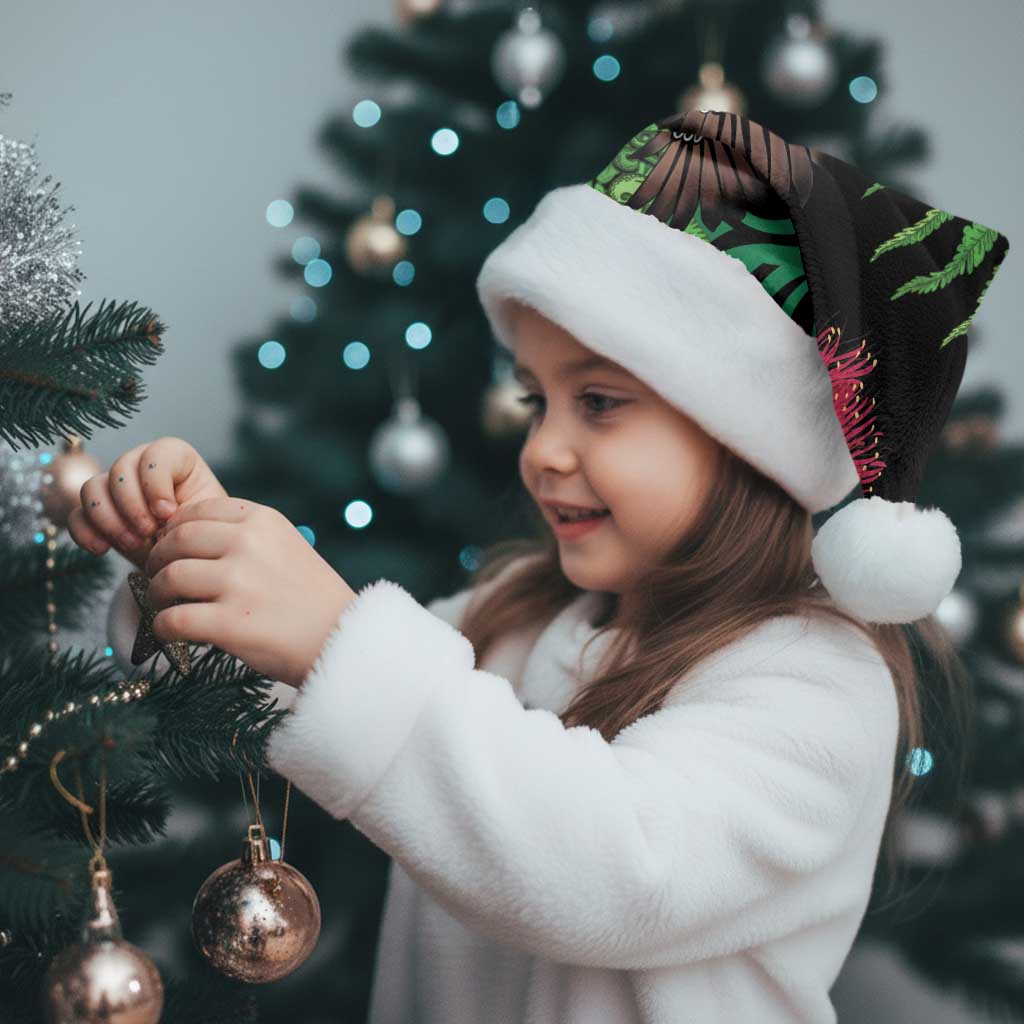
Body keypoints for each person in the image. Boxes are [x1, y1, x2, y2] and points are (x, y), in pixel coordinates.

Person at [73, 109, 1010, 1023]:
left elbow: (616, 871)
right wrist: (192, 563)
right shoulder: (516, 616)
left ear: (747, 439)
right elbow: (305, 689)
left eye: (598, 402)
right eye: (536, 401)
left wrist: (333, 637)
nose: (542, 451)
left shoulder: (818, 683)